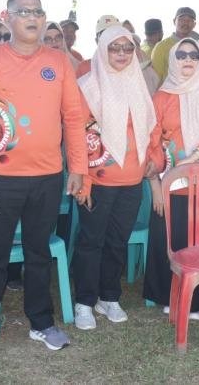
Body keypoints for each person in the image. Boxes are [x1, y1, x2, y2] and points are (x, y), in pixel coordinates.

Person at [0, 0, 89, 357]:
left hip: (48, 176)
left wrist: (78, 167)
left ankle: (42, 322)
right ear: (7, 17)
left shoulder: (59, 62)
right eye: (24, 12)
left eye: (38, 11)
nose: (33, 17)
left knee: (38, 252)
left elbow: (73, 117)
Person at [73, 24, 158, 330]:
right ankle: (84, 301)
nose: (122, 53)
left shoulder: (138, 83)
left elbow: (152, 127)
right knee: (91, 241)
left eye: (127, 48)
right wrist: (83, 179)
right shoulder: (87, 86)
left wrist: (155, 157)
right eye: (114, 47)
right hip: (98, 180)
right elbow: (77, 135)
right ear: (102, 49)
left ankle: (108, 296)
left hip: (132, 180)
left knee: (117, 241)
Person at [142, 39, 199, 318]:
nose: (188, 59)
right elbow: (152, 142)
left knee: (198, 240)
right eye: (181, 54)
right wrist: (156, 185)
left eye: (193, 54)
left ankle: (195, 301)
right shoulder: (162, 96)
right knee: (168, 238)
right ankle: (169, 294)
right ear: (172, 59)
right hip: (168, 181)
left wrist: (196, 156)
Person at [151, 7, 198, 80]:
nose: (185, 23)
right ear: (174, 21)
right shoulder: (161, 46)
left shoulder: (198, 45)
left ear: (194, 24)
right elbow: (154, 79)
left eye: (189, 20)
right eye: (181, 19)